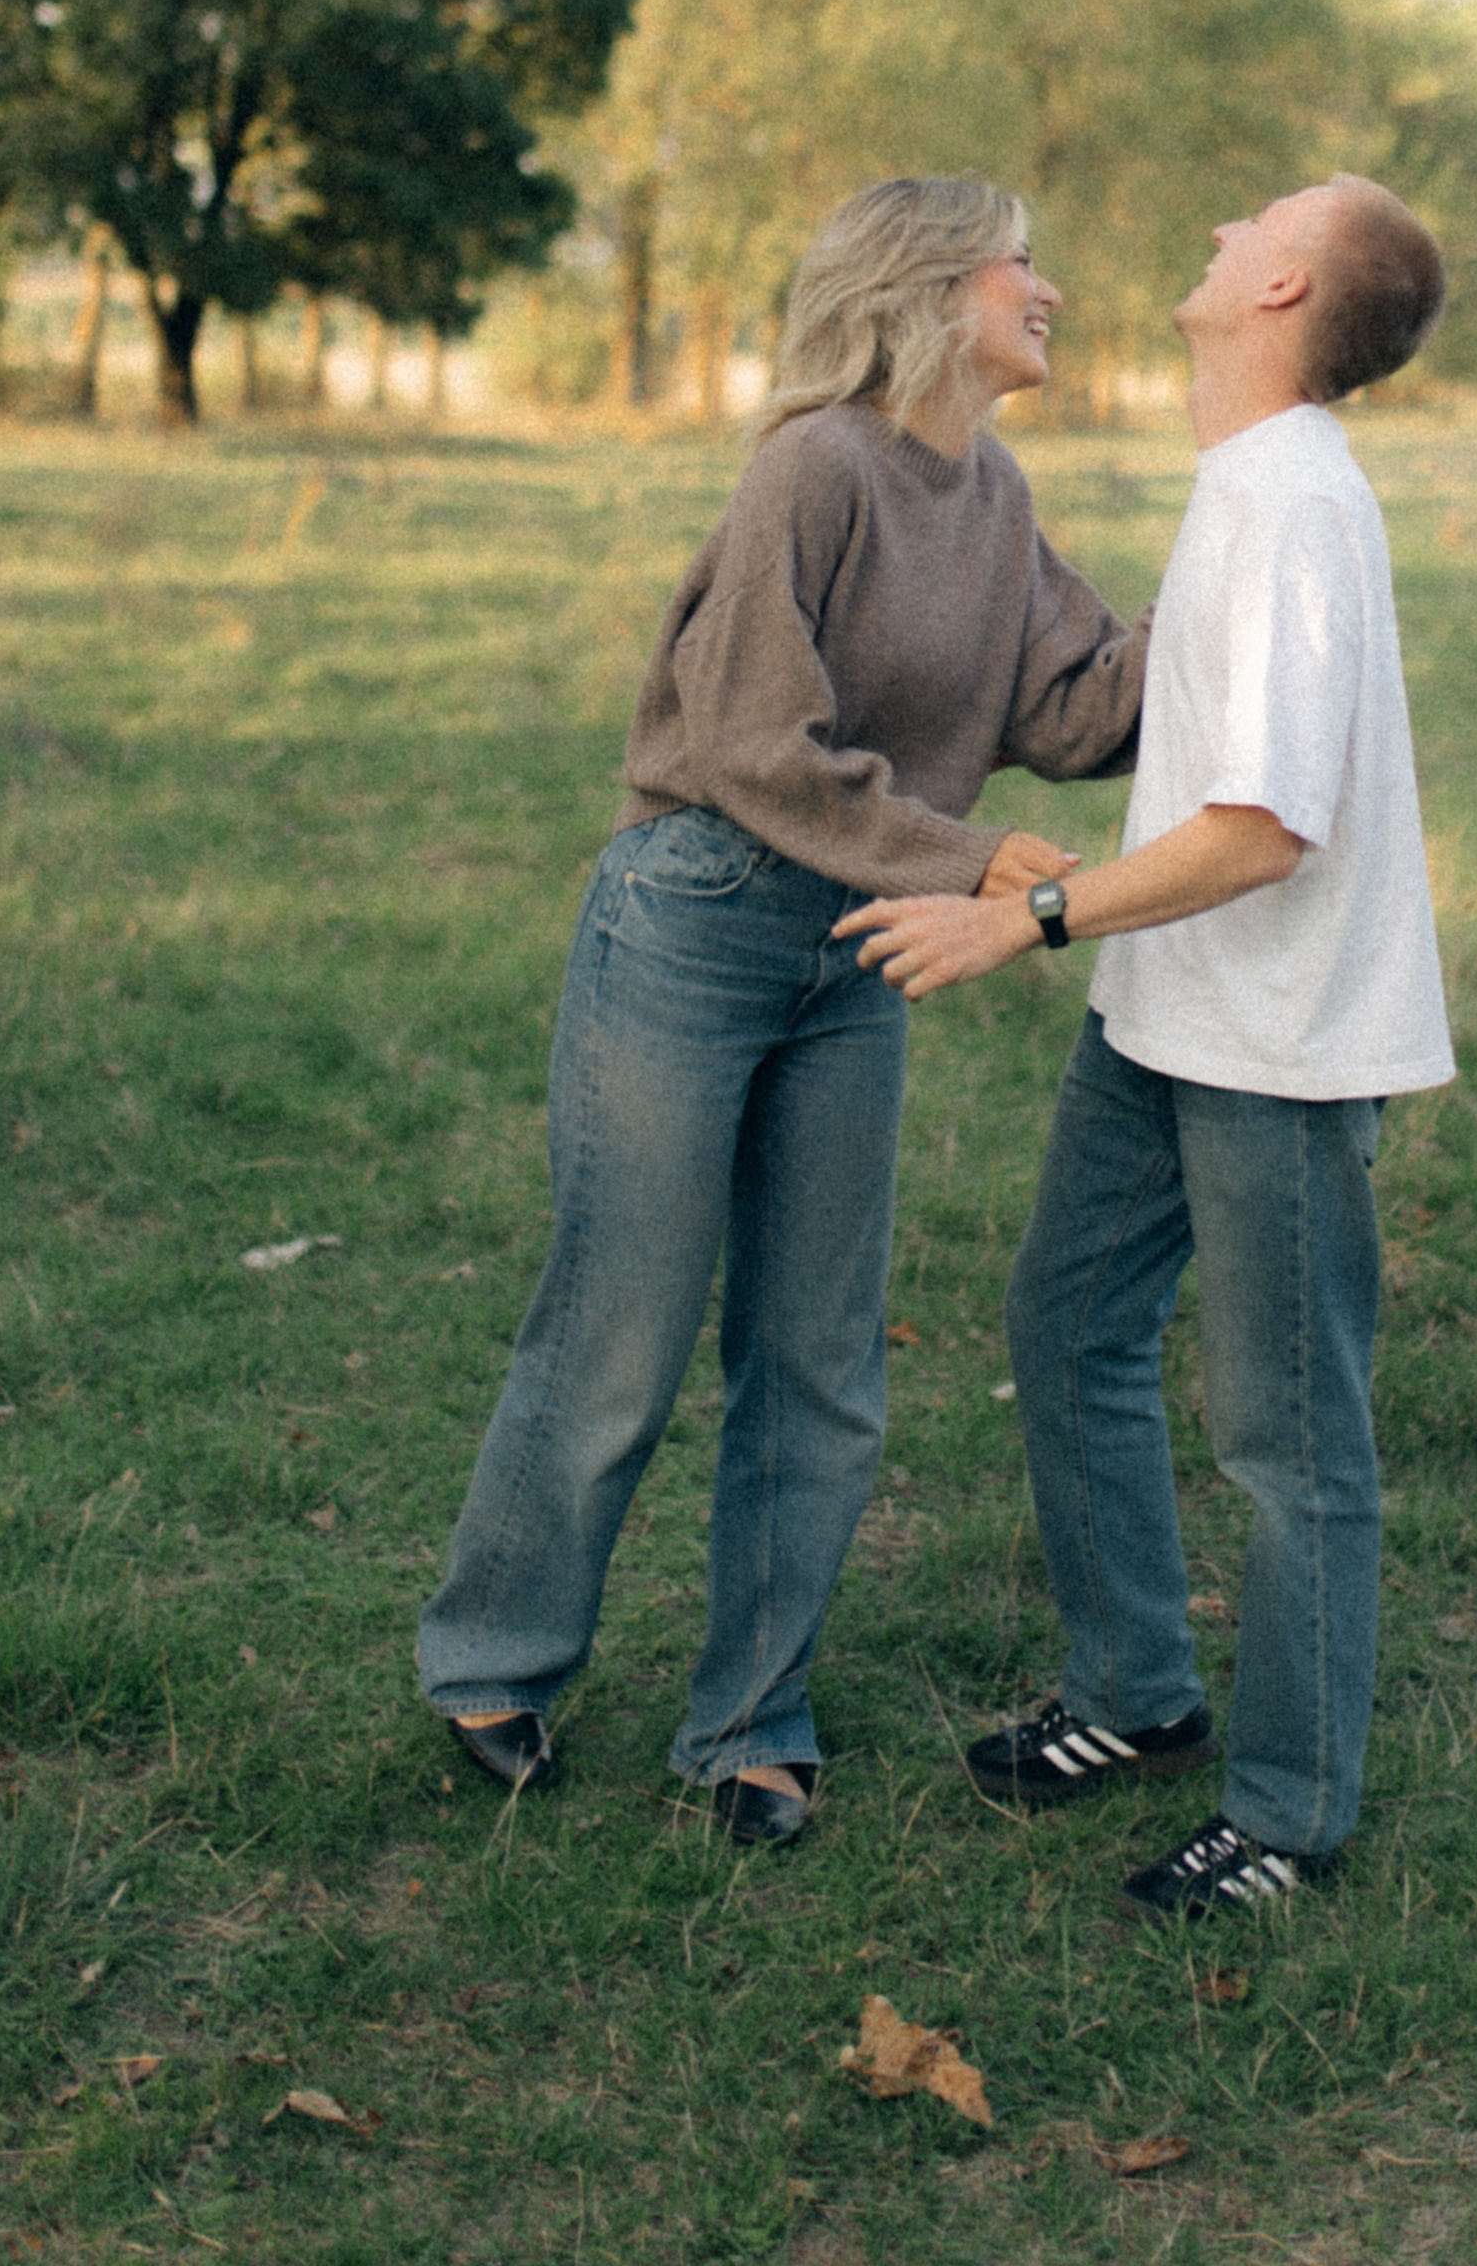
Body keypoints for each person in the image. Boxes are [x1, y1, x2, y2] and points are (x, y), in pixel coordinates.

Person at [419, 175, 1150, 1845]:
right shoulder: (814, 468)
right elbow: (753, 744)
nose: (1050, 291)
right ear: (932, 288)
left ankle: (749, 1720)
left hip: (858, 948)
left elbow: (1074, 698)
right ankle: (494, 1653)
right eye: (1022, 262)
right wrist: (971, 861)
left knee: (820, 1356)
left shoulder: (995, 489)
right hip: (699, 914)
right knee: (623, 1323)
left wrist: (1254, 592)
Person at [837, 173, 1451, 1919]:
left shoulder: (1296, 510)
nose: (1218, 218)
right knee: (1072, 1318)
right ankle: (1135, 1698)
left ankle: (1288, 1817)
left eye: (1258, 216)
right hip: (1168, 1012)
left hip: (1281, 1043)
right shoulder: (1243, 486)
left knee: (1289, 1441)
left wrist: (1021, 915)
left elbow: (1266, 827)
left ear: (1288, 287)